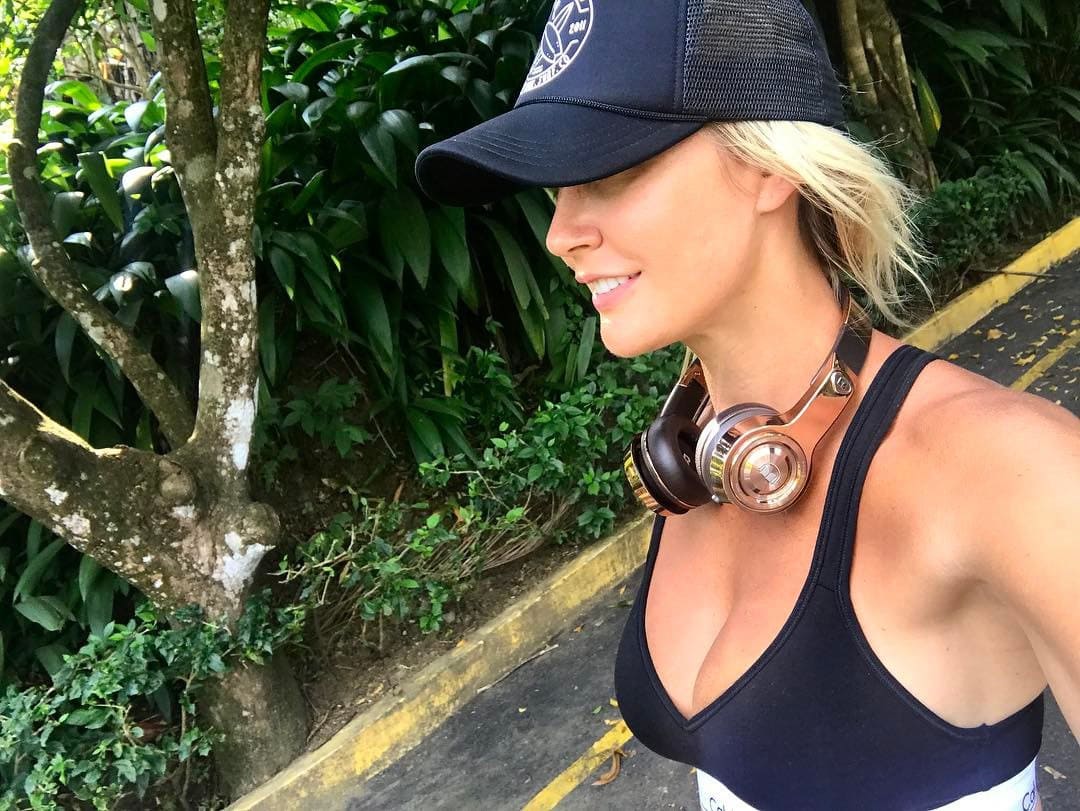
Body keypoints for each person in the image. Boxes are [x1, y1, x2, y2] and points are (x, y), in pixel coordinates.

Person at [413, 1, 1079, 808]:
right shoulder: (701, 451)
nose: (561, 233)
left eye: (608, 171)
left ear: (768, 167)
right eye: (559, 185)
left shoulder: (1013, 475)